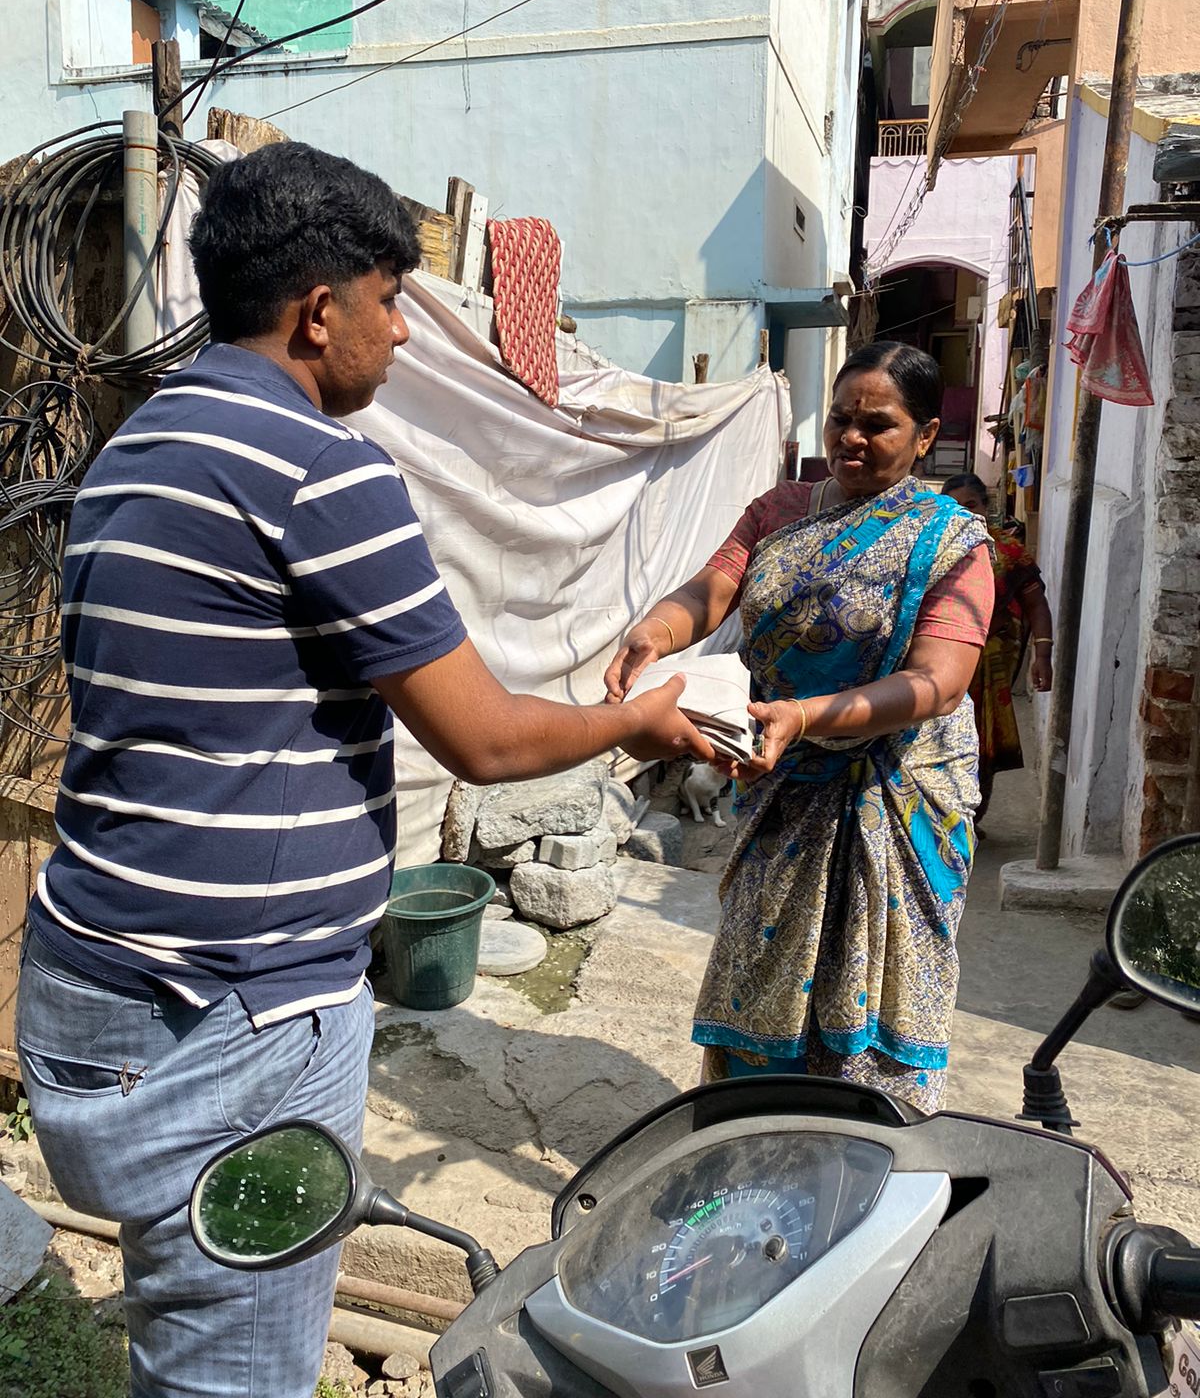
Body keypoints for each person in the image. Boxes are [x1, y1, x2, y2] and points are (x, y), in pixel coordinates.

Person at [15, 142, 714, 1398]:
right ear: (317, 310)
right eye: (390, 301)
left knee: (185, 1315)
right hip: (233, 1016)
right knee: (238, 1369)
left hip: (93, 987)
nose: (398, 333)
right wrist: (636, 722)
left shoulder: (135, 443)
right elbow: (486, 740)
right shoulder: (319, 468)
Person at [605, 341, 994, 1114]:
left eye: (877, 425)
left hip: (899, 798)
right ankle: (751, 1140)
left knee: (878, 997)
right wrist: (655, 630)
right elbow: (713, 590)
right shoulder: (779, 512)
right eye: (841, 419)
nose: (851, 437)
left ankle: (867, 1147)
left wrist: (808, 715)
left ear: (925, 436)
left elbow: (939, 682)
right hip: (783, 782)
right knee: (758, 975)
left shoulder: (954, 542)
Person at [943, 472, 1053, 830]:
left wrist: (1042, 655)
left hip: (992, 664)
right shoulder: (931, 549)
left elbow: (1036, 605)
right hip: (941, 662)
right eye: (954, 507)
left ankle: (971, 821)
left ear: (985, 506)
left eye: (971, 505)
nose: (964, 513)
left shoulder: (1008, 551)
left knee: (983, 742)